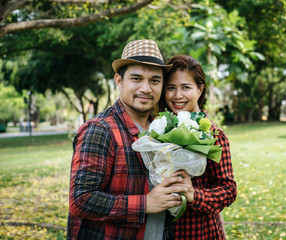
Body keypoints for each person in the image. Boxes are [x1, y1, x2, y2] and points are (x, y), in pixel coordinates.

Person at [67, 40, 188, 240]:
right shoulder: (100, 130)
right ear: (119, 80)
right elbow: (81, 200)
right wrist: (146, 203)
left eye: (155, 81)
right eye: (136, 78)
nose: (146, 88)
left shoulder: (160, 129)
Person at [160, 55, 237, 239]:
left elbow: (228, 190)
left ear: (200, 89)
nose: (177, 95)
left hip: (198, 231)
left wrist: (193, 194)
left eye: (186, 87)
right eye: (171, 88)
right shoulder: (158, 128)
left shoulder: (214, 135)